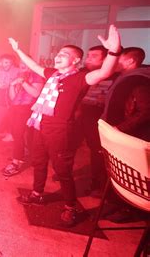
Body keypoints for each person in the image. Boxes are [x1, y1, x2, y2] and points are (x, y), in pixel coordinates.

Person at [12, 24, 121, 227]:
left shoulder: (80, 78)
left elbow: (104, 73)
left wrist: (114, 51)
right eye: (58, 53)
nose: (58, 56)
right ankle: (37, 193)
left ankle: (71, 207)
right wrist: (18, 50)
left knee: (63, 171)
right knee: (39, 162)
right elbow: (33, 65)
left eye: (64, 54)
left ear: (75, 60)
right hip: (40, 125)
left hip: (61, 130)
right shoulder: (53, 74)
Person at [100, 47, 149, 223]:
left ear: (130, 61)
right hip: (127, 134)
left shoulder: (140, 82)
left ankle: (130, 209)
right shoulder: (128, 78)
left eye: (119, 59)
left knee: (133, 174)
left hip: (136, 137)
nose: (115, 62)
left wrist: (120, 128)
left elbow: (145, 112)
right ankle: (119, 204)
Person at [75, 45, 114, 195]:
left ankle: (97, 183)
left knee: (97, 151)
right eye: (88, 55)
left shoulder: (113, 77)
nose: (88, 59)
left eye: (94, 56)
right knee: (70, 145)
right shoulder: (83, 74)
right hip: (80, 114)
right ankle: (64, 172)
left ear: (105, 59)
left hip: (97, 118)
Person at [2, 62, 43, 176]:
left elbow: (35, 93)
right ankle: (20, 155)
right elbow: (13, 98)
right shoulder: (19, 76)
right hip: (16, 108)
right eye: (20, 65)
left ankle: (16, 162)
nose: (22, 66)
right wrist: (11, 85)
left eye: (25, 63)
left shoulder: (36, 76)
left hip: (27, 109)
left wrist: (23, 82)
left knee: (20, 134)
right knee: (16, 134)